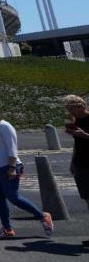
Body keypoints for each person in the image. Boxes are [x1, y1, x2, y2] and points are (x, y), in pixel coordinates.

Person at [0, 104, 54, 238]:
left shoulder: (5, 126)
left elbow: (12, 149)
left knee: (13, 197)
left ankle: (43, 216)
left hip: (7, 167)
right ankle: (7, 228)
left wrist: (12, 167)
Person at [63, 94, 89, 247]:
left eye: (71, 109)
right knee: (87, 199)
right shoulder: (76, 120)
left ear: (79, 106)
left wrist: (84, 135)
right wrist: (72, 162)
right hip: (80, 162)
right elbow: (76, 144)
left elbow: (83, 137)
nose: (70, 113)